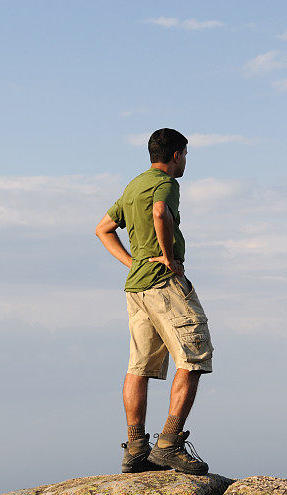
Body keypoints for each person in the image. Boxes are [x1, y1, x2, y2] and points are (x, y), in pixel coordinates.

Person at [95, 128, 213, 475]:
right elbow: (160, 212)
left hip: (137, 288)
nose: (186, 161)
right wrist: (167, 257)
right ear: (176, 155)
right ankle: (168, 445)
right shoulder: (166, 184)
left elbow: (103, 228)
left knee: (139, 367)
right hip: (165, 285)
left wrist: (134, 262)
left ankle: (135, 449)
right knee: (194, 356)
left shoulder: (133, 185)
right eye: (186, 155)